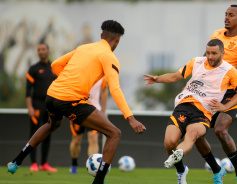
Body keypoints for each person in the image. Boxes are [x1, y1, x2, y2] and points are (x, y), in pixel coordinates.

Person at [7, 20, 146, 184]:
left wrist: (66, 84)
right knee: (114, 133)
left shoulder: (83, 47)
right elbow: (115, 89)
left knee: (52, 125)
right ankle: (99, 181)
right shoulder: (109, 57)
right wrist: (130, 118)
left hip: (51, 95)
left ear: (101, 35)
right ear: (117, 41)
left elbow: (55, 64)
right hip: (70, 100)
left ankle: (16, 161)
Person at [144, 39, 237, 184]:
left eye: (214, 53)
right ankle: (181, 170)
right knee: (169, 143)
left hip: (203, 113)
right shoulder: (197, 62)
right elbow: (175, 76)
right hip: (183, 106)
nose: (210, 56)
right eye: (208, 52)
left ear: (223, 53)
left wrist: (225, 107)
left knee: (192, 136)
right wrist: (157, 79)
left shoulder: (230, 71)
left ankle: (180, 153)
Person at [194, 5, 237, 184]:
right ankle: (216, 170)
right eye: (226, 14)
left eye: (231, 15)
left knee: (220, 130)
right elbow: (205, 60)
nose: (226, 17)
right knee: (195, 132)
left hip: (230, 93)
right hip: (207, 91)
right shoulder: (217, 34)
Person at [26, 43, 57, 172]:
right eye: (39, 49)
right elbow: (28, 91)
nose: (41, 51)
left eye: (43, 49)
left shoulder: (54, 68)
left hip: (51, 106)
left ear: (48, 51)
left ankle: (44, 163)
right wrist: (30, 107)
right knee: (34, 134)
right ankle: (34, 163)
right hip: (37, 106)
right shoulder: (33, 69)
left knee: (47, 134)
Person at [69, 77, 108, 174]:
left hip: (94, 111)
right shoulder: (80, 72)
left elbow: (104, 90)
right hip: (77, 110)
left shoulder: (103, 76)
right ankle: (74, 164)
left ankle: (93, 166)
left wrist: (103, 109)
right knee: (77, 140)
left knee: (93, 138)